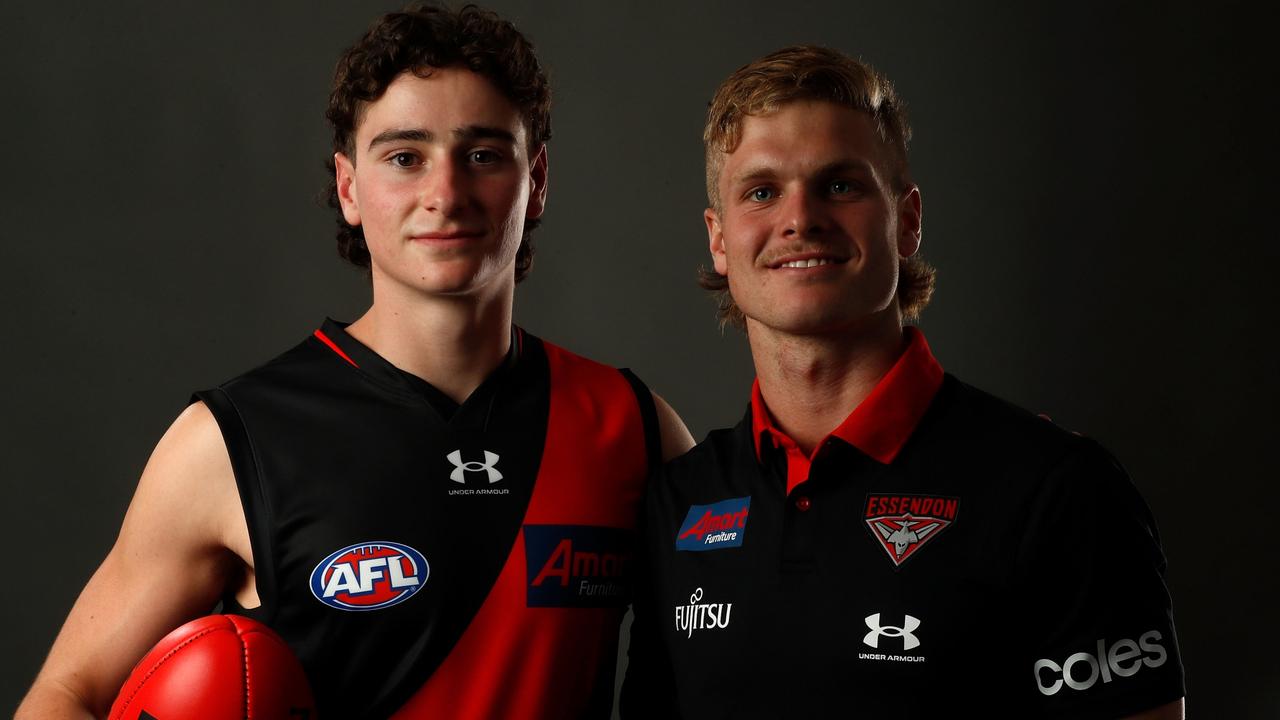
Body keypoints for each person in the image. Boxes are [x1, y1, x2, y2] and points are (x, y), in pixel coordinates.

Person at [17, 4, 692, 719]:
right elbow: (65, 695)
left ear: (539, 178)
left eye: (484, 155)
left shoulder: (631, 426)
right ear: (349, 188)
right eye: (405, 157)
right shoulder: (232, 440)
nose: (445, 194)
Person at [621, 45, 1184, 719]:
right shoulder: (682, 499)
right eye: (762, 192)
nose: (800, 219)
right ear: (719, 238)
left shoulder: (1057, 490)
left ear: (907, 219)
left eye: (839, 185)